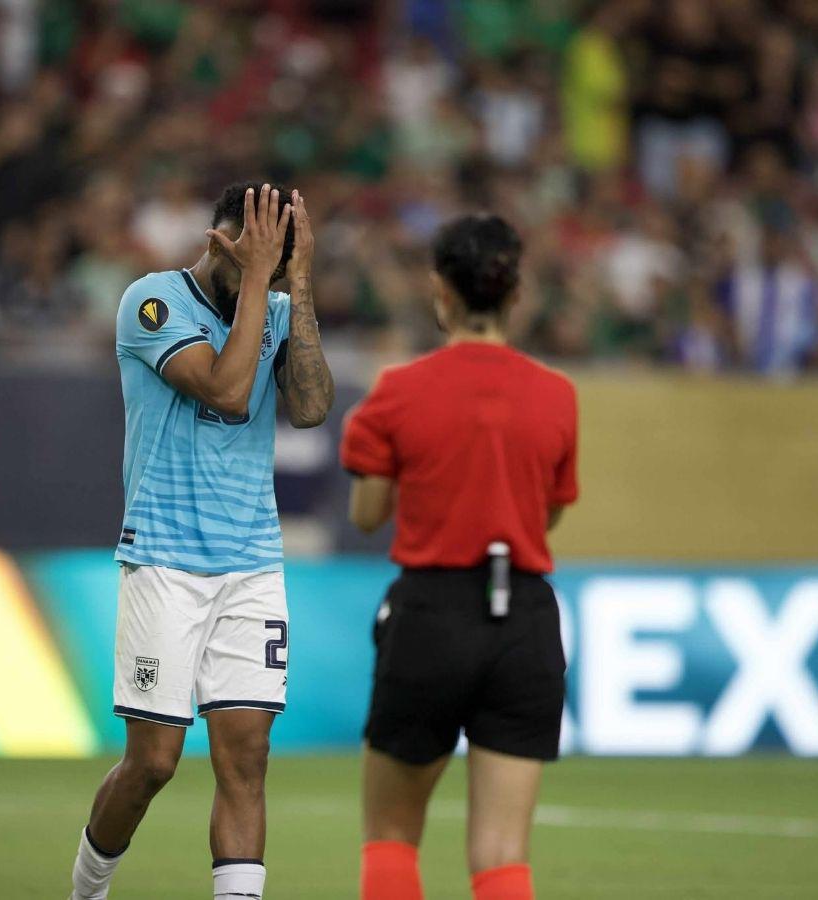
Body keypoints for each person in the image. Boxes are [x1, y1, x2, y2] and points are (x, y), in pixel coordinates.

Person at [68, 183, 334, 900]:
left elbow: (309, 407)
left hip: (251, 563)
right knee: (153, 762)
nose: (269, 278)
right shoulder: (152, 304)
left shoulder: (277, 303)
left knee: (246, 758)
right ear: (219, 243)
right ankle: (87, 892)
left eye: (279, 266)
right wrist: (257, 284)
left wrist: (297, 285)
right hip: (165, 559)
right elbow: (227, 391)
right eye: (257, 261)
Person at [341, 214, 578, 900]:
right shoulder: (556, 394)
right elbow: (548, 512)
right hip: (526, 620)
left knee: (391, 833)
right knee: (502, 852)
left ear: (439, 290)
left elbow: (366, 515)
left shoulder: (397, 391)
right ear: (516, 292)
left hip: (432, 612)